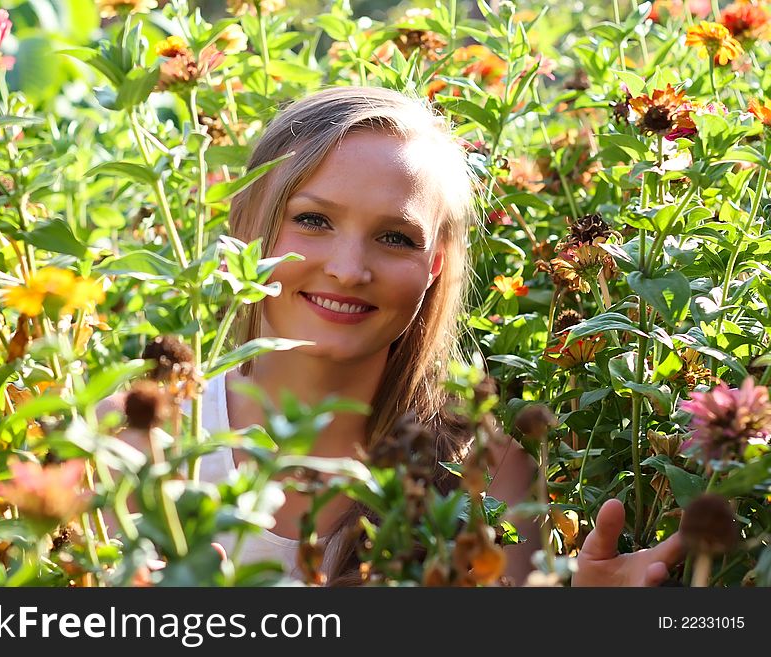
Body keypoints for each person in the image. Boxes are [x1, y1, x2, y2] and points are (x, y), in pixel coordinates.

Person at [104, 86, 684, 586]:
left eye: (396, 238)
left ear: (434, 267)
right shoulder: (138, 443)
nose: (349, 269)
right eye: (313, 221)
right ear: (247, 228)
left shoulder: (484, 473)